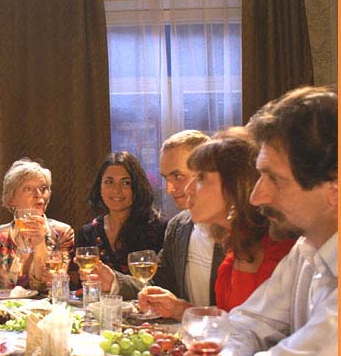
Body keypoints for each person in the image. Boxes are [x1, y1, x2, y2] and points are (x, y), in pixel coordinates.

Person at [170, 86, 337, 356]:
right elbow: (250, 322)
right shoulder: (307, 249)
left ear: (334, 189)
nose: (257, 196)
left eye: (274, 179)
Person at [139, 131, 296, 319]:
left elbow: (266, 329)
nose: (187, 188)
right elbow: (232, 323)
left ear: (234, 185)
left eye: (201, 178)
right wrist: (180, 310)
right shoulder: (234, 248)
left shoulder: (282, 248)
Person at [75, 152, 166, 298]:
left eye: (125, 183)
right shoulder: (88, 232)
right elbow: (83, 287)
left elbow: (163, 284)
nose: (116, 190)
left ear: (137, 188)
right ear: (100, 187)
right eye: (109, 182)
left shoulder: (160, 228)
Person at [151, 130, 224, 307]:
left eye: (178, 176)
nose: (169, 189)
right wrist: (114, 281)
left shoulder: (242, 230)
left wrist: (185, 312)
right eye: (166, 178)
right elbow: (157, 284)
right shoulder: (178, 226)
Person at [0, 158, 74, 292]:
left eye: (43, 188)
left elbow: (52, 285)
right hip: (2, 305)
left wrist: (39, 243)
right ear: (11, 199)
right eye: (28, 189)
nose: (38, 194)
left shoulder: (63, 233)